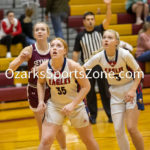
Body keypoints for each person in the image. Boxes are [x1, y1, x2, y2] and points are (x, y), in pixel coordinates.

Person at [8, 22, 66, 150]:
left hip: (53, 90)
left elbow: (64, 68)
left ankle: (64, 148)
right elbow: (10, 68)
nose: (40, 31)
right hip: (35, 91)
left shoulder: (55, 48)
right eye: (37, 30)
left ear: (48, 33)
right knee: (42, 127)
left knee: (58, 126)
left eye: (43, 29)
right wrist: (19, 60)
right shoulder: (29, 50)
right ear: (34, 34)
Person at [83, 29, 144, 150]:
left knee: (131, 128)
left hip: (130, 88)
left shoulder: (124, 54)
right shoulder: (99, 57)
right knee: (118, 130)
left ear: (116, 42)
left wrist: (132, 90)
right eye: (104, 37)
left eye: (110, 38)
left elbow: (139, 73)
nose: (106, 39)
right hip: (115, 92)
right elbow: (82, 69)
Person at [37, 38, 99, 150]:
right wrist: (41, 101)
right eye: (52, 46)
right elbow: (40, 84)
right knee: (46, 140)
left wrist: (72, 104)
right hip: (55, 105)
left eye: (58, 46)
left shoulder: (74, 66)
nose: (54, 48)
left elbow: (86, 86)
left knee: (88, 140)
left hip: (76, 105)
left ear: (65, 51)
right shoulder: (43, 68)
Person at [72, 0, 112, 124]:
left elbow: (108, 19)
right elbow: (75, 53)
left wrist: (108, 5)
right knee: (89, 93)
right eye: (88, 19)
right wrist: (74, 70)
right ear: (84, 21)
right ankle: (92, 116)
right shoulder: (80, 36)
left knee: (105, 92)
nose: (90, 21)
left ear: (94, 20)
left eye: (92, 19)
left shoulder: (100, 29)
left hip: (101, 66)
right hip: (87, 67)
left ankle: (110, 115)